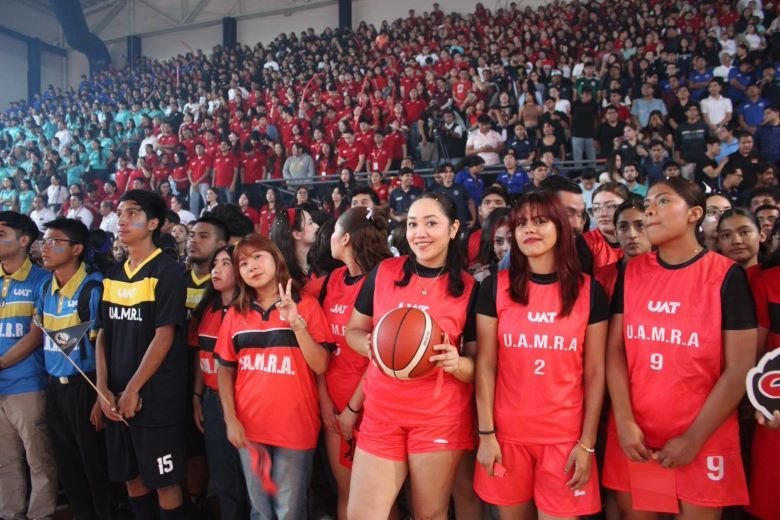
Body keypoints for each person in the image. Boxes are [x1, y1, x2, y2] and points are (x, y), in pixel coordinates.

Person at [603, 178, 757, 517]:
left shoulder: (726, 276)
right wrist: (624, 421)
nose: (650, 211)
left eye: (662, 201)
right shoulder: (632, 273)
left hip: (704, 435)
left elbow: (739, 368)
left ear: (694, 214)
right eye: (648, 204)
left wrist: (694, 438)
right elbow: (614, 351)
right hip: (637, 436)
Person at [474, 191, 608, 518]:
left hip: (565, 439)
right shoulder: (494, 288)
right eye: (521, 224)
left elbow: (595, 373)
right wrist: (487, 435)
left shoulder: (590, 291)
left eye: (540, 221)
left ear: (560, 227)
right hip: (506, 437)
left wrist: (587, 443)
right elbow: (486, 366)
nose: (529, 230)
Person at [345, 193, 478, 520]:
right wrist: (373, 348)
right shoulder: (383, 272)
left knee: (429, 514)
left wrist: (456, 363)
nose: (420, 233)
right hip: (382, 413)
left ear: (453, 228)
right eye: (413, 224)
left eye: (431, 223)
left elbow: (478, 366)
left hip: (439, 417)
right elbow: (353, 332)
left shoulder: (471, 288)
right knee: (362, 514)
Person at [215, 234, 333, 519]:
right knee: (260, 512)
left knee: (289, 512)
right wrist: (230, 419)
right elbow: (224, 371)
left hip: (296, 427)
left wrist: (296, 324)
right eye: (244, 263)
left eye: (258, 257)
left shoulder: (306, 305)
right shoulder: (236, 314)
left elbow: (321, 365)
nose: (252, 266)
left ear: (276, 258)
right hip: (250, 429)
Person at [96, 190, 188, 519]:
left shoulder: (168, 271)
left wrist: (134, 389)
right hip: (115, 397)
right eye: (120, 212)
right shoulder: (113, 275)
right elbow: (103, 334)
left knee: (165, 482)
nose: (122, 219)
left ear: (153, 223)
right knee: (132, 478)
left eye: (132, 213)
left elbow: (165, 335)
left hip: (155, 398)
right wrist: (102, 389)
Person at [308, 207, 392, 519]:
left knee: (379, 502)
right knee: (347, 494)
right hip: (334, 408)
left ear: (344, 239)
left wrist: (353, 409)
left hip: (371, 408)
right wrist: (325, 402)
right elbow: (321, 347)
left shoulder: (382, 281)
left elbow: (382, 355)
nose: (329, 238)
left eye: (333, 233)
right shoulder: (329, 282)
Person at [35, 218, 113, 519]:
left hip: (86, 387)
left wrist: (100, 396)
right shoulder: (46, 288)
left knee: (94, 464)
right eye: (44, 241)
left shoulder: (93, 289)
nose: (45, 247)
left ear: (77, 249)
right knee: (68, 463)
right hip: (56, 388)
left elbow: (105, 347)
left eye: (55, 241)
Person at [0, 211, 58, 520]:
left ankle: (41, 515)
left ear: (24, 241)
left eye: (1, 234)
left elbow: (36, 335)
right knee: (4, 461)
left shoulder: (42, 280)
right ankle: (10, 514)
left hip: (28, 384)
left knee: (39, 460)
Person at [190, 245, 252, 519]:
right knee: (223, 478)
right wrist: (197, 395)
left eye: (225, 263)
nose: (216, 269)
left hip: (245, 402)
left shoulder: (249, 311)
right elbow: (199, 355)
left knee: (251, 478)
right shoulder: (206, 310)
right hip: (212, 401)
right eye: (215, 263)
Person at [593, 199, 652, 299]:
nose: (632, 235)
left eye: (640, 226)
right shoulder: (602, 277)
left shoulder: (669, 273)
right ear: (615, 233)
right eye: (623, 227)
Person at [577, 183, 631, 274]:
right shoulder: (583, 243)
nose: (602, 214)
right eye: (596, 208)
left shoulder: (644, 240)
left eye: (611, 206)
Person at [716, 209, 764, 277]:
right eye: (726, 235)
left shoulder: (775, 275)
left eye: (744, 232)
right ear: (718, 243)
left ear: (761, 236)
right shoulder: (710, 279)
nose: (736, 241)